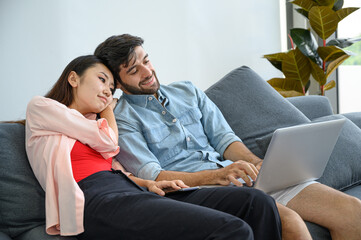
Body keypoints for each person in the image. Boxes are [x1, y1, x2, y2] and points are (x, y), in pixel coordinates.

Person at [95, 34, 361, 240]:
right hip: (203, 190)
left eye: (146, 60)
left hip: (243, 176)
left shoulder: (188, 91)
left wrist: (258, 165)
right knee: (290, 222)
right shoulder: (122, 119)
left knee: (352, 210)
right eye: (133, 70)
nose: (147, 71)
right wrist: (216, 176)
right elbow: (154, 175)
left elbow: (224, 139)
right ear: (117, 83)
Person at [25, 55, 282, 240]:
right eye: (102, 81)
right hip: (95, 201)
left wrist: (149, 184)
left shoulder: (92, 124)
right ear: (73, 78)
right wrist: (107, 110)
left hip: (130, 191)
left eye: (112, 88)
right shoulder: (42, 109)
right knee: (233, 230)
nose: (107, 91)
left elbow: (115, 168)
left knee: (256, 202)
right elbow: (107, 142)